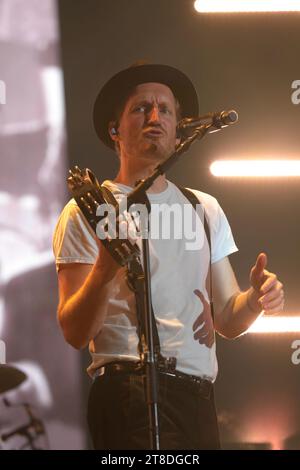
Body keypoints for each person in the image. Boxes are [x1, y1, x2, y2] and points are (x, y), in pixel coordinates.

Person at [52, 63, 284, 450]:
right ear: (116, 129)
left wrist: (256, 299)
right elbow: (75, 331)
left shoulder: (203, 207)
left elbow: (227, 318)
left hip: (196, 397)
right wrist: (105, 270)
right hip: (127, 392)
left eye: (166, 110)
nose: (155, 117)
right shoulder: (89, 210)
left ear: (180, 131)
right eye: (141, 108)